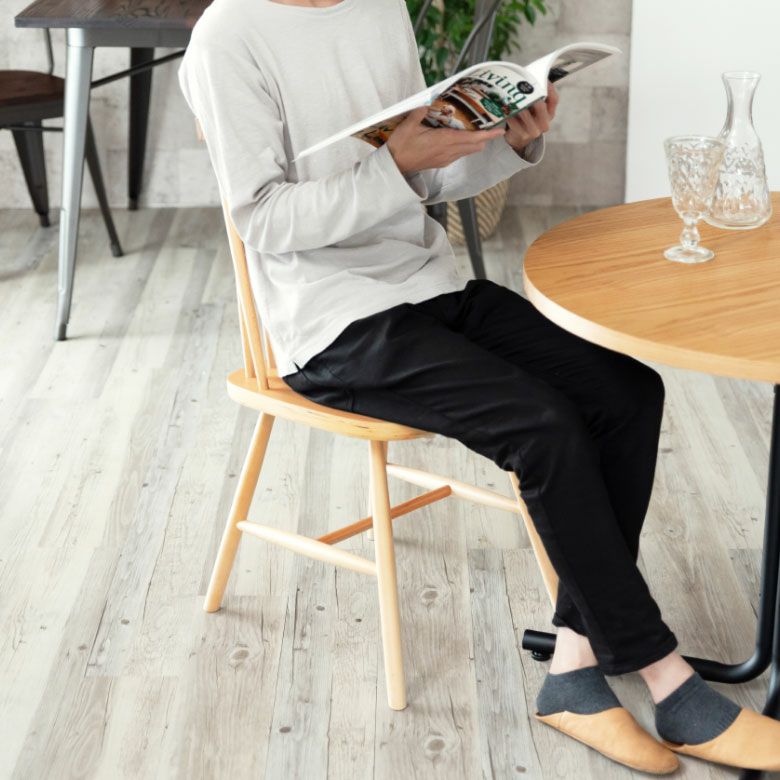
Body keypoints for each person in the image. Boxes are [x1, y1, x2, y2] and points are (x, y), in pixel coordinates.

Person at [177, 0, 780, 773]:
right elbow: (262, 220)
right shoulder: (228, 38)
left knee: (626, 391)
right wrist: (394, 165)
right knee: (543, 426)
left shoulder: (378, 7)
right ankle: (672, 684)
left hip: (428, 284)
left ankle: (574, 669)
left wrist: (511, 142)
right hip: (329, 323)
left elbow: (426, 179)